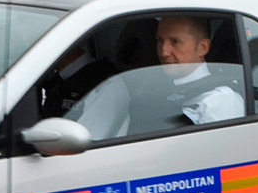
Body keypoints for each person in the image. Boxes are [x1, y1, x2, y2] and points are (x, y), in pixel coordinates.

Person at [71, 16, 244, 139]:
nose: (163, 52)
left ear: (202, 47)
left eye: (175, 42)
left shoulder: (221, 100)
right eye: (159, 40)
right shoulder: (147, 91)